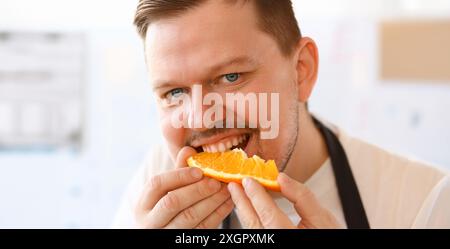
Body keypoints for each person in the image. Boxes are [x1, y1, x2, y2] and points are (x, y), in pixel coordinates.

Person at [112, 0, 450, 228]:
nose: (201, 119)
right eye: (174, 92)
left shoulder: (423, 202)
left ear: (302, 70)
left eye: (231, 77)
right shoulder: (157, 189)